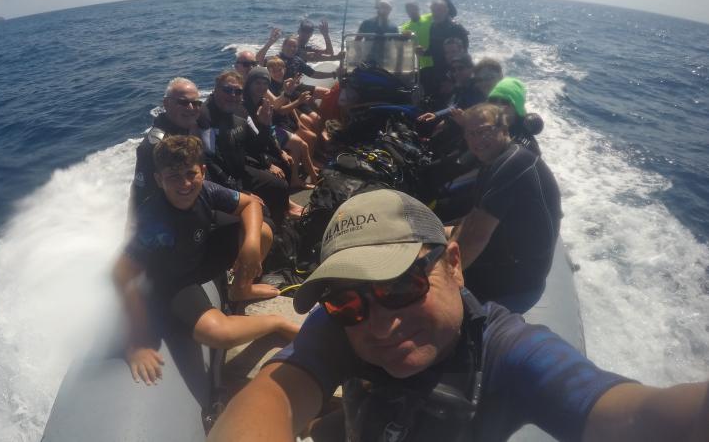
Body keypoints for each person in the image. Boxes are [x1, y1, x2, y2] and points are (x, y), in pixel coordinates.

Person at [209, 189, 709, 442]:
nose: (379, 323)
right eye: (347, 299)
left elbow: (639, 415)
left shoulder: (509, 353)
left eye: (402, 285)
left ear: (453, 265)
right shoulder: (346, 319)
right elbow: (271, 394)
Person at [113, 136, 300, 385]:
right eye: (173, 177)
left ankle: (241, 289)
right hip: (174, 282)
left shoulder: (207, 190)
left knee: (263, 231)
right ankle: (276, 324)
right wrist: (136, 342)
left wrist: (251, 245)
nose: (185, 184)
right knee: (219, 334)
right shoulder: (153, 223)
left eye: (191, 174)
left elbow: (250, 205)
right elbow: (121, 276)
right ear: (159, 180)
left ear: (202, 170)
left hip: (200, 254)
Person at [453, 103, 561, 307]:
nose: (477, 139)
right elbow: (472, 220)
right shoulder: (493, 164)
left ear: (503, 130)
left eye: (484, 131)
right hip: (501, 260)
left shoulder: (512, 164)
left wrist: (444, 278)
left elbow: (477, 237)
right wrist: (437, 236)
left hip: (516, 284)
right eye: (471, 133)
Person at [199, 70, 300, 225]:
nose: (232, 95)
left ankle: (280, 224)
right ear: (216, 89)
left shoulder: (241, 110)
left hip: (241, 167)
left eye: (237, 91)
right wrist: (238, 190)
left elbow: (256, 144)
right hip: (223, 178)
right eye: (227, 90)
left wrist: (265, 125)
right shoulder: (206, 116)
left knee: (280, 184)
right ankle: (271, 225)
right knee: (270, 194)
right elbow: (210, 161)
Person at [126, 77, 203, 230]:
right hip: (174, 222)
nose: (191, 107)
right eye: (183, 102)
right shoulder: (153, 146)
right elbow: (141, 193)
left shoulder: (188, 127)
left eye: (195, 103)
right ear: (166, 104)